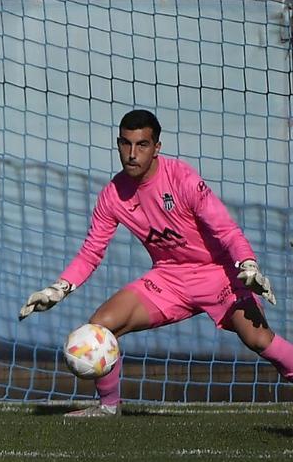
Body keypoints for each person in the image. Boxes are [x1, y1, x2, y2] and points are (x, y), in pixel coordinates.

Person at [19, 109, 291, 416]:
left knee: (258, 339)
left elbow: (226, 229)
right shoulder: (112, 195)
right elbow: (91, 252)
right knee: (102, 325)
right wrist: (59, 288)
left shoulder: (182, 179)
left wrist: (248, 264)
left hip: (220, 273)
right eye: (125, 144)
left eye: (142, 145)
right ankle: (108, 409)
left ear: (157, 147)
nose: (132, 154)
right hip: (170, 279)